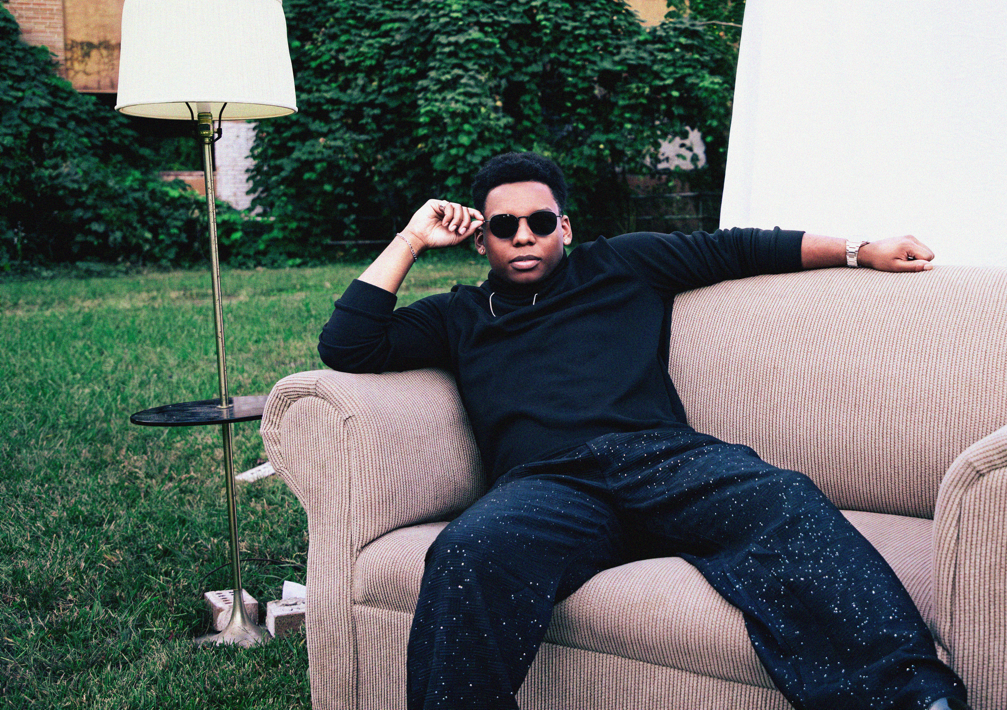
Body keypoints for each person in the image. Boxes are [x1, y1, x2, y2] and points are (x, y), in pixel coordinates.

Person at [319, 152, 969, 710]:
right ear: (481, 238)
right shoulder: (459, 315)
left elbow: (740, 246)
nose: (524, 236)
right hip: (552, 487)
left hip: (662, 461)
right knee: (468, 549)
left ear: (564, 227)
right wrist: (409, 238)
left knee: (783, 497)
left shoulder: (624, 264)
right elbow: (349, 342)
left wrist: (860, 251)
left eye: (540, 222)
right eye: (504, 226)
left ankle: (912, 696)